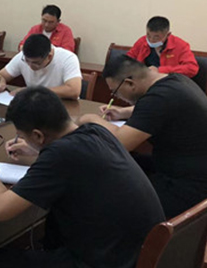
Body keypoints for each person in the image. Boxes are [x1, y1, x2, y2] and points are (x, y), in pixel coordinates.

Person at [0, 87, 164, 268]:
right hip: (141, 260)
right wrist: (39, 151)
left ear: (38, 136)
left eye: (21, 135)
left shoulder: (59, 157)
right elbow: (77, 160)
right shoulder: (97, 131)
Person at [79, 55, 207, 219]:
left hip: (187, 185)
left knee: (109, 190)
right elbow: (156, 108)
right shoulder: (175, 81)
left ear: (130, 83)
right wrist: (122, 112)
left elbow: (120, 141)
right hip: (186, 165)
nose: (116, 97)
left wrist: (92, 119)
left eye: (115, 92)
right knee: (124, 162)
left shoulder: (159, 98)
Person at [0, 34, 81, 99]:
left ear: (49, 57)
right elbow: (0, 75)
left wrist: (33, 91)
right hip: (35, 104)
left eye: (36, 63)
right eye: (27, 61)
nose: (30, 66)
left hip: (63, 105)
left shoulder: (68, 58)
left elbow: (74, 90)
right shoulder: (22, 56)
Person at [127, 16, 198, 78]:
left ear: (168, 35)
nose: (151, 40)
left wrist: (160, 70)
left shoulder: (180, 45)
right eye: (148, 35)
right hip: (144, 80)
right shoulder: (142, 41)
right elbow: (127, 59)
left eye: (156, 37)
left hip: (169, 81)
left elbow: (192, 68)